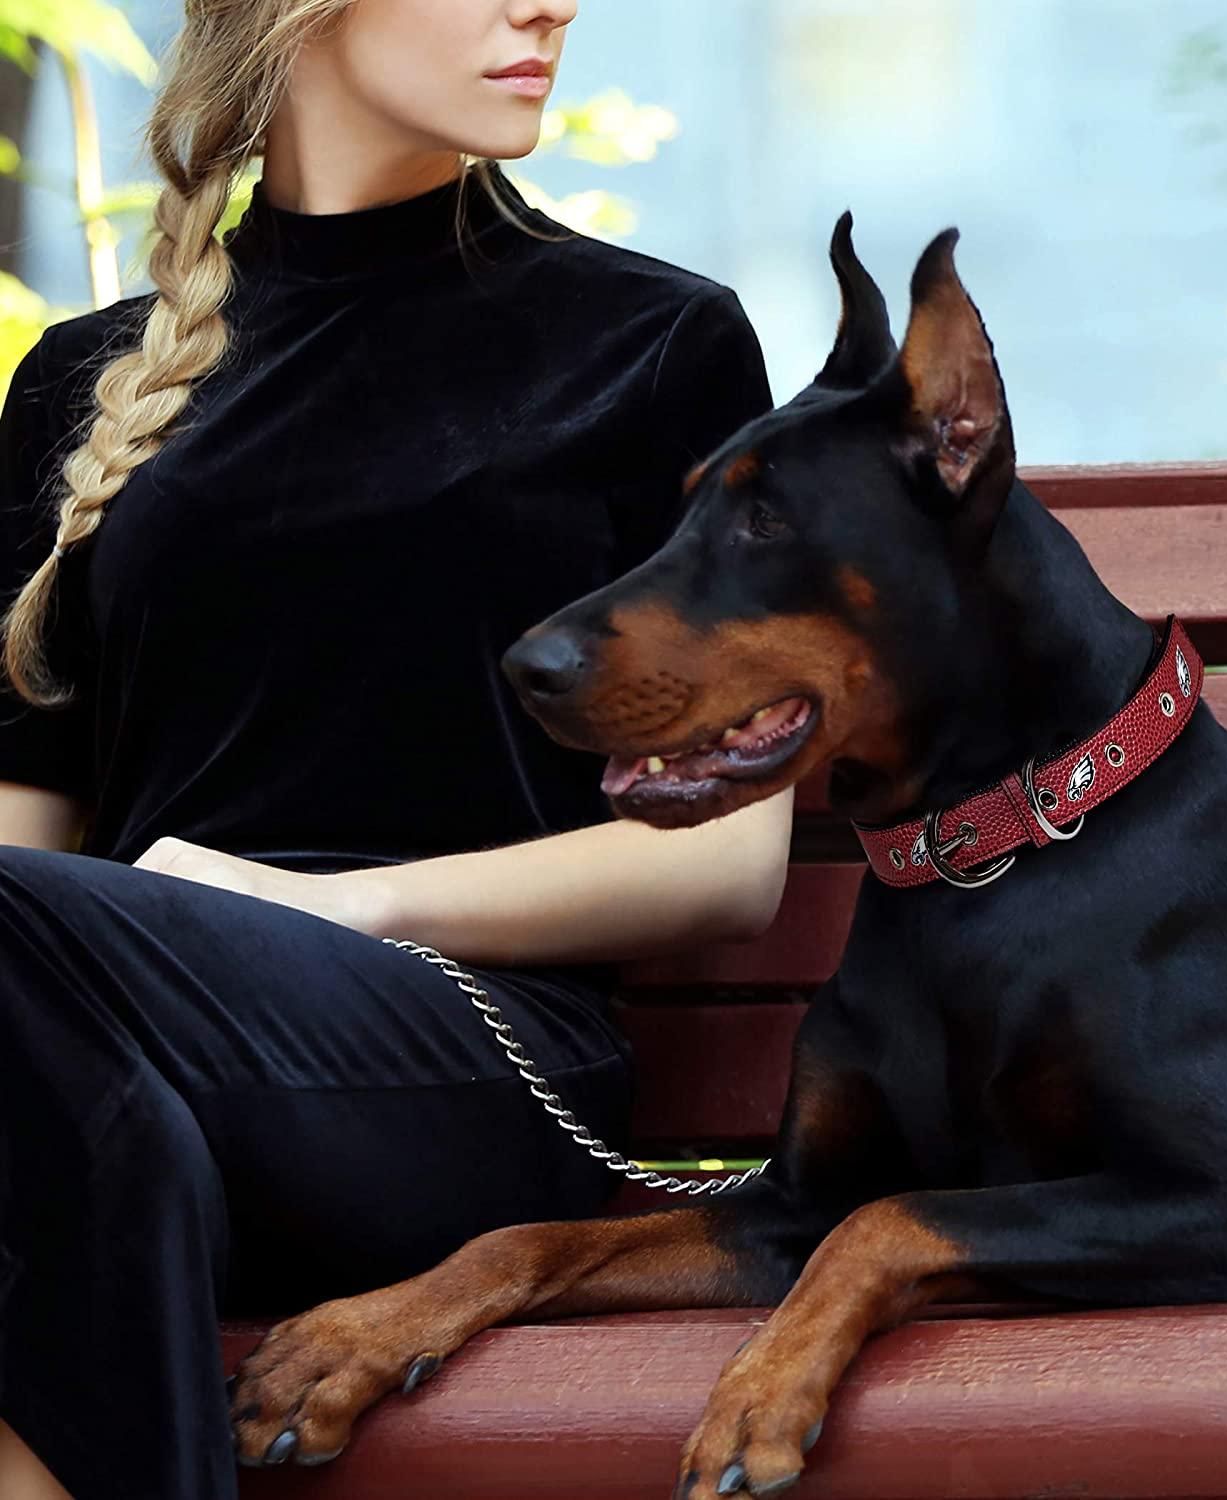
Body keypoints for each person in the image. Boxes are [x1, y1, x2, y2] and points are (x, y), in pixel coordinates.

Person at [0, 1, 793, 1495]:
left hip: (467, 1062)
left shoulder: (648, 346)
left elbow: (729, 863)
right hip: (109, 1069)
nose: (549, 5)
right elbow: (23, 834)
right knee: (89, 1143)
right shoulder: (79, 380)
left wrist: (334, 906)